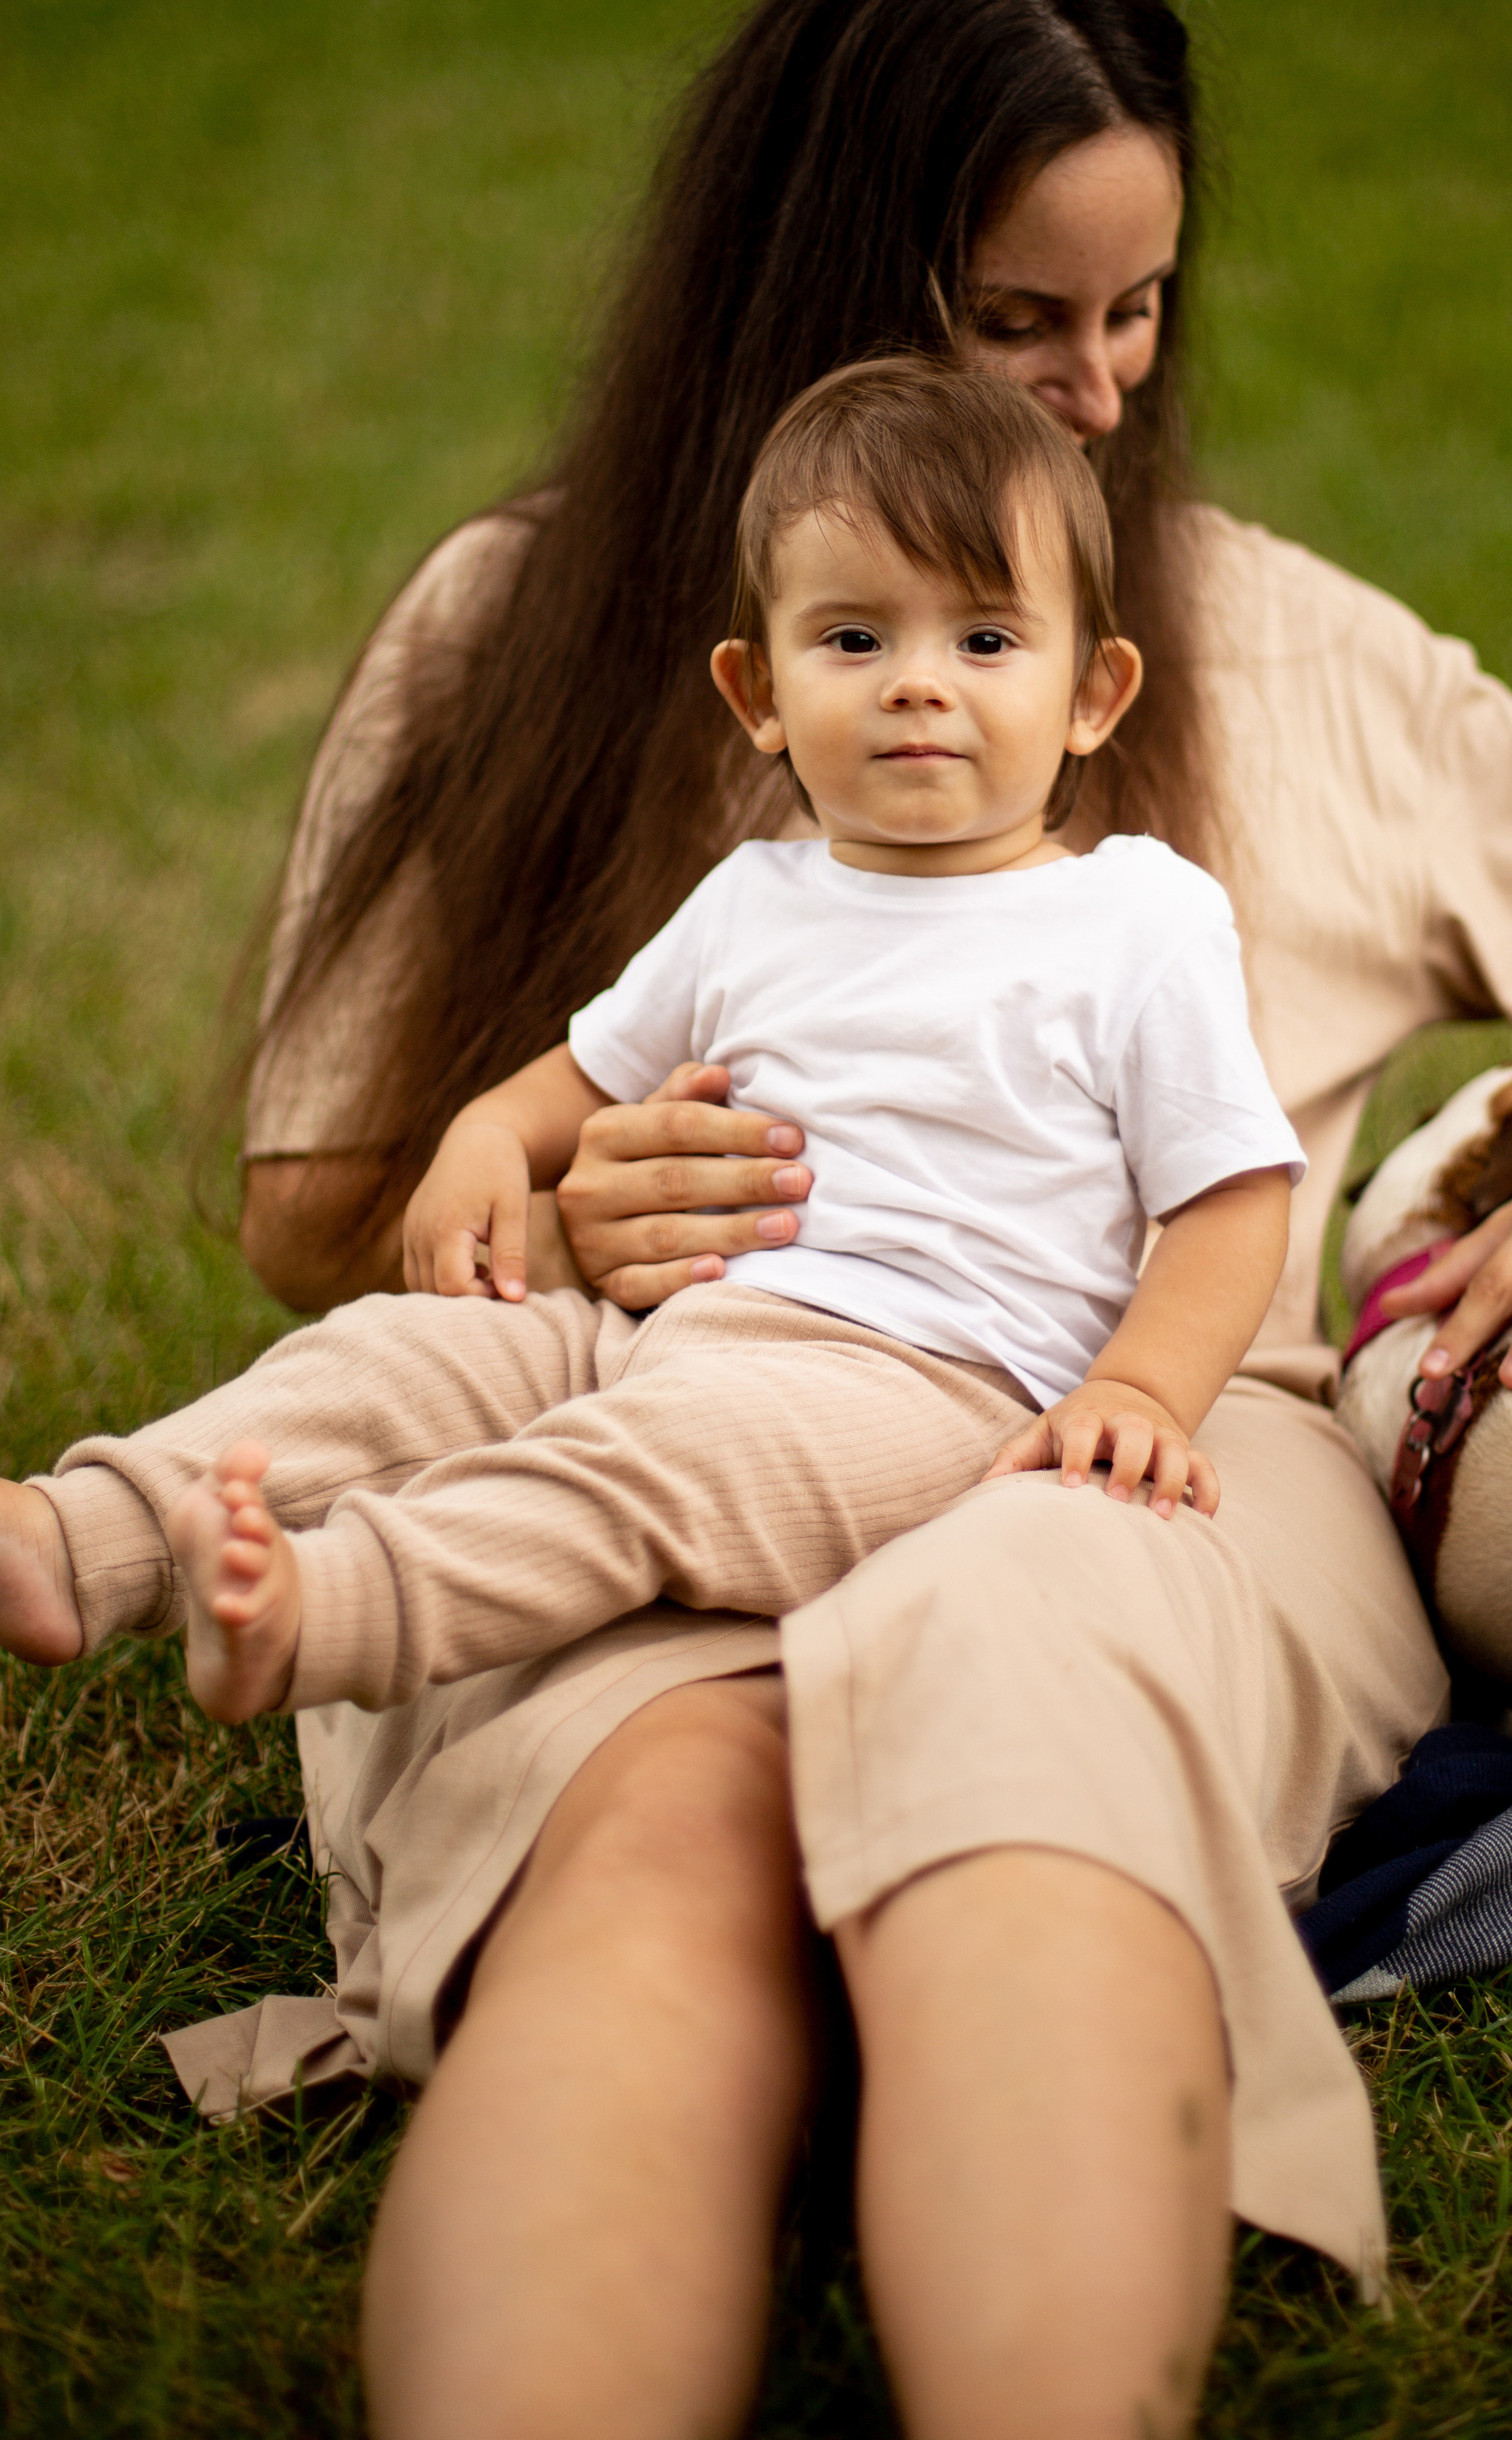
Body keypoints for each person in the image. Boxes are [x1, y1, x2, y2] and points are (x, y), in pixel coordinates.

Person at [0, 0, 1512, 2440]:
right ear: (825, 284)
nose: (1095, 392)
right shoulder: (527, 626)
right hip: (686, 1386)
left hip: (1149, 1436)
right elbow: (325, 1196)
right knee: (668, 1820)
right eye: (1014, 319)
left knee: (1023, 1777)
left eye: (1140, 309)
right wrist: (562, 1167)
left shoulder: (1251, 636)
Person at [94, 359, 1302, 1722]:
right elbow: (583, 1075)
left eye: (983, 641)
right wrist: (488, 1133)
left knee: (639, 1465)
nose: (917, 686)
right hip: (661, 1332)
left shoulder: (1133, 915)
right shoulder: (752, 897)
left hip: (927, 1389)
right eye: (854, 641)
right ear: (757, 692)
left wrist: (1142, 1388)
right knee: (392, 1360)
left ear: (1093, 691)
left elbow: (1232, 1193)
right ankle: (78, 1537)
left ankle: (336, 1613)